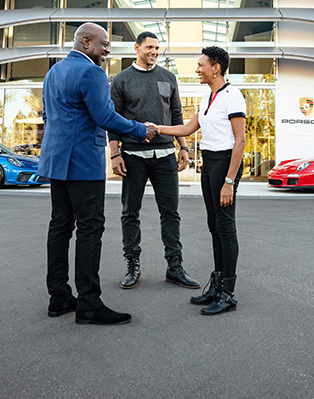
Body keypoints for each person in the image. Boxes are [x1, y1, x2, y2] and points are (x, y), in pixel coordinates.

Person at [39, 22, 157, 326]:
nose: (107, 50)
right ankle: (89, 303)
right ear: (85, 41)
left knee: (60, 227)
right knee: (90, 228)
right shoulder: (91, 72)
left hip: (56, 161)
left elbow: (47, 115)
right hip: (83, 163)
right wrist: (141, 129)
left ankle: (59, 297)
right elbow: (105, 117)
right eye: (104, 44)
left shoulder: (53, 72)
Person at [157, 46, 246, 315]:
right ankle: (217, 285)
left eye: (201, 65)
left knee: (226, 227)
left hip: (225, 165)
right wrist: (156, 127)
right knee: (214, 225)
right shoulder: (207, 98)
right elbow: (187, 128)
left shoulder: (233, 96)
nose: (197, 69)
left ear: (216, 67)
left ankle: (227, 292)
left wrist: (229, 180)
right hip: (209, 163)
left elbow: (240, 141)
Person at [109, 31, 200, 290]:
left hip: (164, 157)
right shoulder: (121, 80)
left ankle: (175, 266)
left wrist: (183, 148)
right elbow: (113, 120)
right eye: (150, 47)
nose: (154, 52)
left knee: (170, 213)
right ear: (136, 47)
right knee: (130, 213)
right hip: (133, 157)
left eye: (157, 48)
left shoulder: (168, 78)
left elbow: (176, 113)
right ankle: (132, 265)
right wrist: (115, 154)